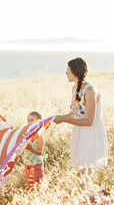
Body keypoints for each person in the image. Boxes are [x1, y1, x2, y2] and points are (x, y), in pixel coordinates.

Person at [54, 57, 108, 189]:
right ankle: (89, 202)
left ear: (75, 71)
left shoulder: (90, 90)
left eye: (68, 70)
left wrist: (64, 120)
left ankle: (92, 203)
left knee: (85, 176)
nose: (66, 73)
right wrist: (59, 117)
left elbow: (89, 121)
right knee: (80, 176)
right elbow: (76, 114)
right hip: (80, 133)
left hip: (90, 134)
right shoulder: (74, 88)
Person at [22, 111, 45, 191]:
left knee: (37, 185)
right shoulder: (27, 135)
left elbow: (40, 152)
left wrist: (31, 149)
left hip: (36, 165)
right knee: (30, 185)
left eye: (32, 119)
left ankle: (37, 198)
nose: (29, 122)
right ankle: (32, 198)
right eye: (28, 119)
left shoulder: (39, 136)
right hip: (27, 164)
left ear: (38, 122)